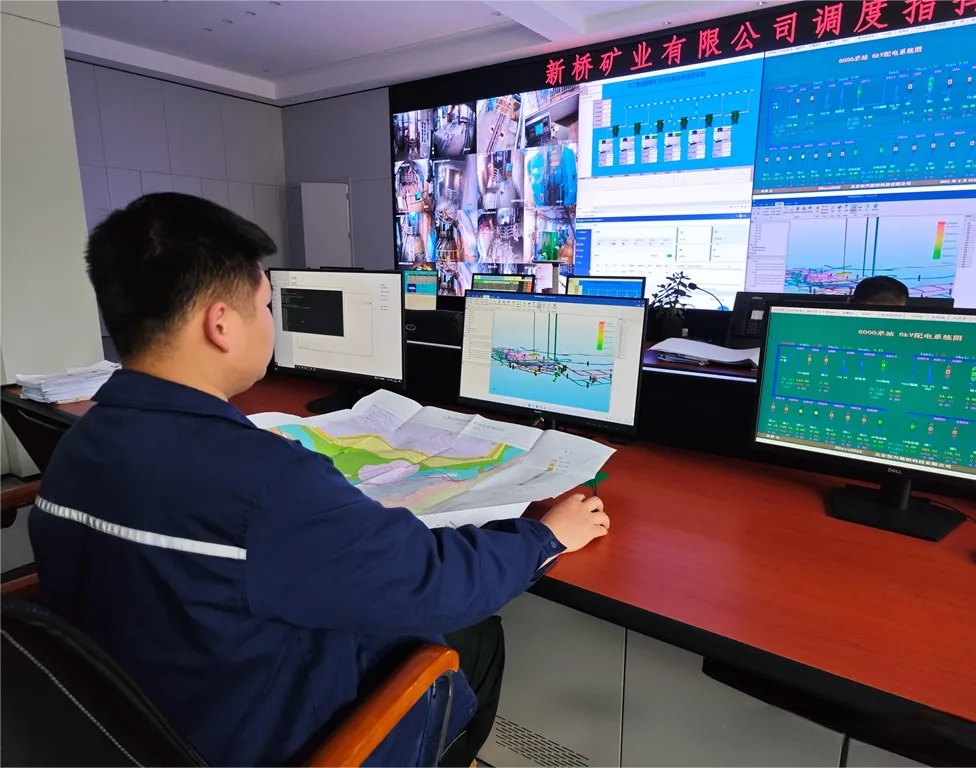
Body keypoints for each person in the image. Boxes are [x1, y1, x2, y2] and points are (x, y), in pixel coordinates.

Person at [28, 193, 611, 768]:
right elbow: (435, 583)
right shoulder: (263, 482)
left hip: (130, 731)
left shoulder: (79, 445)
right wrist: (548, 537)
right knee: (474, 642)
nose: (271, 322)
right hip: (269, 743)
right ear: (221, 324)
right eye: (266, 306)